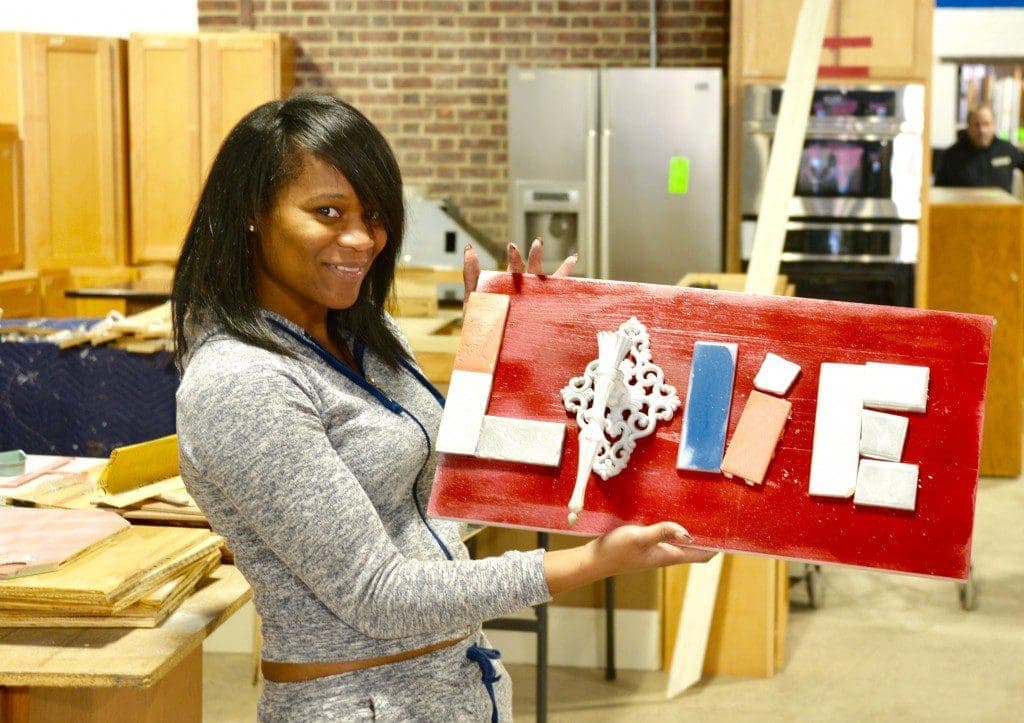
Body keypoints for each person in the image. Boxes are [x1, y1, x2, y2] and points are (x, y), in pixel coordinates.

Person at [172, 91, 715, 722]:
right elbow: (378, 595)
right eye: (327, 211)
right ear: (251, 214)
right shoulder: (242, 385)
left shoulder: (367, 337)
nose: (361, 239)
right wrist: (592, 561)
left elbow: (447, 508)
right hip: (360, 707)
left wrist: (512, 359)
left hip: (459, 687)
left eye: (374, 216)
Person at [934, 104, 1024, 193]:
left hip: (1002, 207)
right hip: (966, 206)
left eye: (986, 124)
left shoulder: (1007, 149)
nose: (982, 130)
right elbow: (938, 191)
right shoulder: (952, 155)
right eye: (977, 125)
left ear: (994, 126)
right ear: (968, 127)